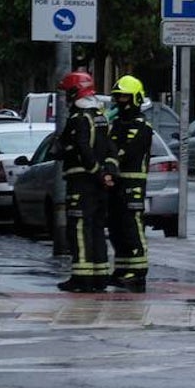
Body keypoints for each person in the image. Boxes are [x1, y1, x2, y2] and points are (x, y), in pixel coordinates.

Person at [51, 71, 115, 293]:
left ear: (74, 92)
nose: (66, 98)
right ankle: (99, 277)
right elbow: (110, 149)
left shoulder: (79, 118)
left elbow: (82, 149)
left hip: (81, 183)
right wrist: (107, 174)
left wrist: (96, 171)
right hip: (99, 186)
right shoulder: (101, 116)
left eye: (68, 93)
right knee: (96, 229)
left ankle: (81, 278)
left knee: (79, 230)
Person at [107, 75, 153, 293]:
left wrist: (111, 162)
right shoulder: (115, 124)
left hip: (132, 185)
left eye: (124, 96)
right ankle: (123, 268)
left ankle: (138, 272)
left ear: (135, 98)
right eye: (117, 97)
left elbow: (127, 152)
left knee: (132, 227)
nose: (120, 101)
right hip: (115, 184)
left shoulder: (142, 127)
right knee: (116, 228)